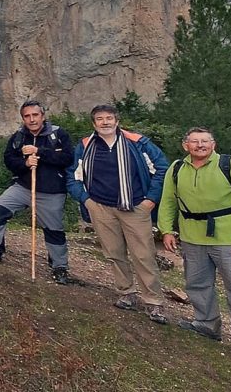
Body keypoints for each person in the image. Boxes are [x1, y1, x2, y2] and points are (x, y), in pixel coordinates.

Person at [158, 128, 231, 358]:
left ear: (213, 145)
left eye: (205, 141)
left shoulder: (230, 165)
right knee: (197, 284)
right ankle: (207, 324)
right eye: (194, 141)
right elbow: (167, 201)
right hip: (191, 238)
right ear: (185, 145)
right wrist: (166, 230)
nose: (200, 145)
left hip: (229, 239)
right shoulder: (177, 169)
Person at [66, 104, 170, 324]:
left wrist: (151, 199)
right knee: (113, 252)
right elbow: (73, 175)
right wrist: (86, 201)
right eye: (100, 119)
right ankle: (127, 292)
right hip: (101, 206)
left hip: (135, 206)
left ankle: (153, 302)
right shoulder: (85, 146)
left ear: (117, 121)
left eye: (109, 118)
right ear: (94, 124)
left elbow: (162, 168)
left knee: (143, 255)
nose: (105, 122)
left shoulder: (137, 142)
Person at [0, 100, 75, 284]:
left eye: (35, 115)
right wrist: (25, 164)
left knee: (53, 229)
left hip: (51, 191)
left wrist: (39, 152)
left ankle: (60, 266)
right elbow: (9, 160)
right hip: (23, 187)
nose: (32, 119)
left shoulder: (58, 134)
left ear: (43, 116)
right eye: (27, 116)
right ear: (23, 118)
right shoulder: (19, 137)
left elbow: (67, 158)